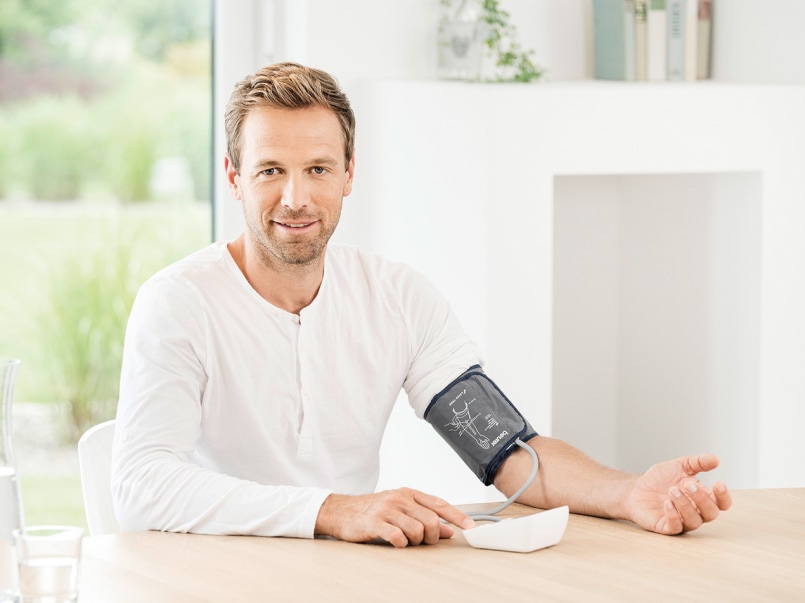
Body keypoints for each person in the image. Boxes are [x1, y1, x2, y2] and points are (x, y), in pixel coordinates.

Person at [111, 62, 731, 548]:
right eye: (270, 170)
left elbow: (509, 455)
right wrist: (333, 511)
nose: (295, 197)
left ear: (349, 174)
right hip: (213, 577)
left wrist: (627, 494)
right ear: (233, 177)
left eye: (318, 169)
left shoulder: (397, 299)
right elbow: (142, 487)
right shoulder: (179, 303)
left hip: (342, 578)